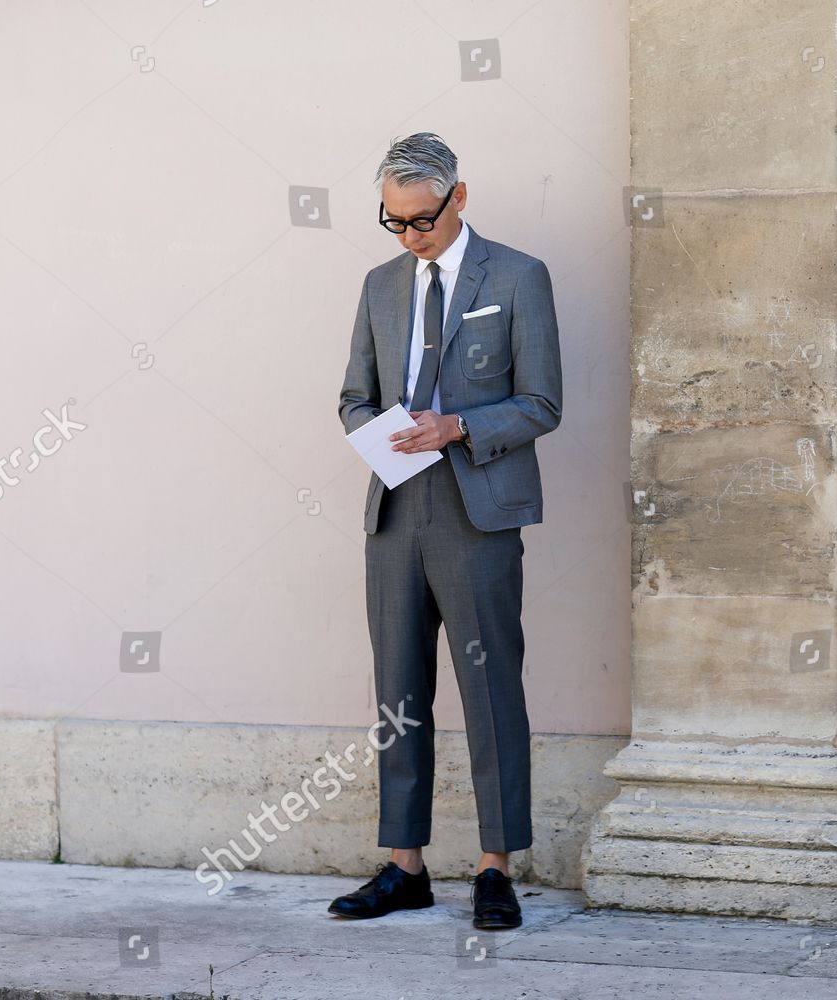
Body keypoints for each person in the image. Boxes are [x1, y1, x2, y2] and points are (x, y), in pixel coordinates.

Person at [331, 132, 562, 930]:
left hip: (477, 511)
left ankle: (496, 868)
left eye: (420, 220)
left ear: (459, 197)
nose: (408, 235)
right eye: (392, 221)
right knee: (399, 690)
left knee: (491, 688)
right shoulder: (379, 285)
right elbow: (353, 395)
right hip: (396, 509)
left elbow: (543, 404)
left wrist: (457, 424)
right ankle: (405, 866)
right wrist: (380, 431)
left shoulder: (520, 277)